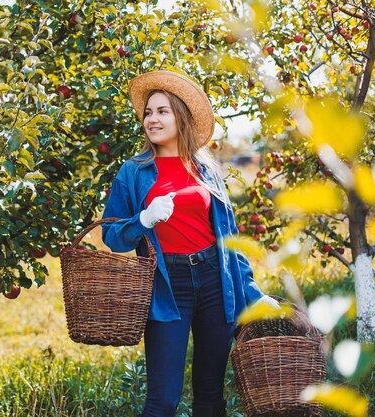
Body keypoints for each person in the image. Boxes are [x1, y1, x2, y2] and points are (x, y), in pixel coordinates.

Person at [101, 70, 280, 417]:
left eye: (162, 111)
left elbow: (229, 242)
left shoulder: (205, 170)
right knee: (163, 400)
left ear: (180, 116)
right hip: (169, 287)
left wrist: (255, 295)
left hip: (216, 282)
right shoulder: (133, 172)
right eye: (148, 113)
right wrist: (143, 220)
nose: (152, 119)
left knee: (211, 396)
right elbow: (112, 236)